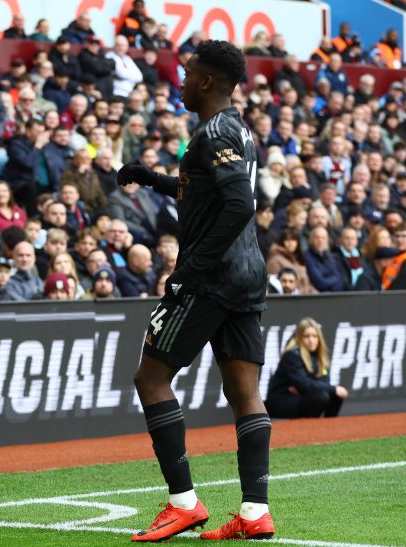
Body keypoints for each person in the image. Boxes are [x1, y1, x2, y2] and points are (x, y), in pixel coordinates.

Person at [116, 41, 273, 541]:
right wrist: (154, 179)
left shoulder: (215, 130)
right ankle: (254, 513)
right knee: (243, 392)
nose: (180, 81)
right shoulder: (236, 128)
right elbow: (207, 190)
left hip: (213, 277)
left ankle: (183, 503)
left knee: (151, 378)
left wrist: (193, 268)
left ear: (207, 81)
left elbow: (238, 204)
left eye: (187, 75)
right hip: (248, 275)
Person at [265, 318, 348, 418]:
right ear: (299, 338)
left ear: (319, 338)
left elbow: (324, 382)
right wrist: (330, 388)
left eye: (314, 336)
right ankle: (306, 429)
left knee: (336, 395)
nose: (311, 340)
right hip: (281, 401)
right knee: (321, 396)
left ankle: (329, 429)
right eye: (306, 336)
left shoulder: (320, 357)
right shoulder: (292, 355)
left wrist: (308, 388)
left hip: (301, 396)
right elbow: (304, 384)